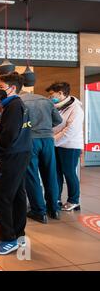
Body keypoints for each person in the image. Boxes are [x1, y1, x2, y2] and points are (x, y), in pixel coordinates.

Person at [0, 72, 32, 255]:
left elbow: (9, 134)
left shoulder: (14, 106)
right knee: (16, 195)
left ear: (12, 88)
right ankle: (18, 235)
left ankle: (8, 239)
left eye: (1, 88)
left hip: (12, 156)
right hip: (21, 154)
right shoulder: (17, 104)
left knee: (1, 195)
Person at [19, 87, 63, 223]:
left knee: (32, 176)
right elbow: (58, 120)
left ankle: (39, 211)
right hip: (48, 140)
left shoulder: (19, 101)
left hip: (30, 140)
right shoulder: (46, 100)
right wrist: (46, 126)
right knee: (50, 174)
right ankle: (54, 209)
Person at [46, 82, 84, 211]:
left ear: (61, 93)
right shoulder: (57, 106)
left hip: (70, 146)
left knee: (69, 173)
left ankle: (74, 200)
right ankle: (56, 198)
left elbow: (70, 131)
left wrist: (53, 141)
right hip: (56, 144)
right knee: (56, 173)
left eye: (52, 94)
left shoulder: (76, 109)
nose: (50, 97)